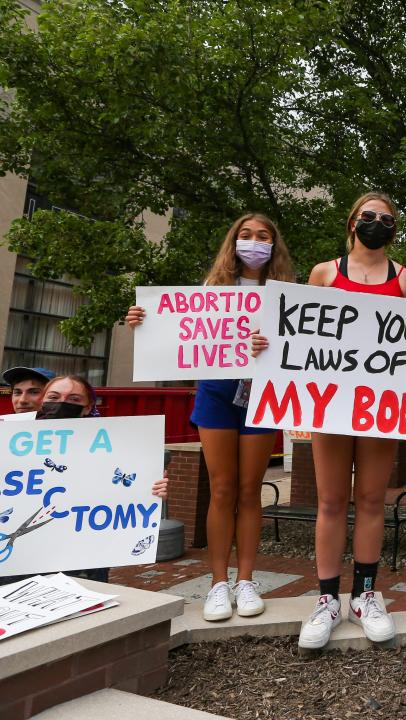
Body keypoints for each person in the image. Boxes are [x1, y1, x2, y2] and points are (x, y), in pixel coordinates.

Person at [251, 192, 406, 650]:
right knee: (331, 502)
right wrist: (267, 344)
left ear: (394, 228)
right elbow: (301, 335)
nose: (376, 222)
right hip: (331, 407)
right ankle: (327, 598)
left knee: (370, 500)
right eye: (368, 215)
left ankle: (365, 595)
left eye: (386, 218)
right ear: (352, 222)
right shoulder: (324, 273)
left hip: (382, 411)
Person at [126, 213, 294, 622]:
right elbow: (177, 331)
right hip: (217, 391)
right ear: (232, 241)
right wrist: (143, 321)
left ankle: (247, 579)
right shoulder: (211, 288)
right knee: (221, 488)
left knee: (250, 488)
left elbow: (297, 346)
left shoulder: (287, 292)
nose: (254, 242)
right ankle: (219, 583)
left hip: (262, 394)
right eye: (246, 235)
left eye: (263, 236)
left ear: (275, 245)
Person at [0, 374, 168, 586]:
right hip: (20, 560)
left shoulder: (115, 446)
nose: (62, 404)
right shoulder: (8, 440)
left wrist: (150, 489)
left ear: (88, 407)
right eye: (54, 397)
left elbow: (126, 493)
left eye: (74, 399)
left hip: (81, 561)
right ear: (44, 401)